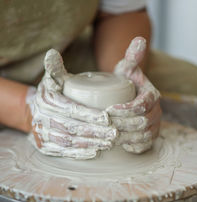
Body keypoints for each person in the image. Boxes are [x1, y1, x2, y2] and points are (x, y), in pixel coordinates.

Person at [0, 0, 161, 156]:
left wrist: (121, 87)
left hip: (65, 52)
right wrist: (28, 111)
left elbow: (121, 12)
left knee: (185, 86)